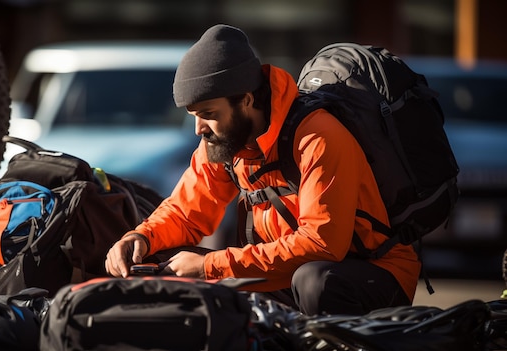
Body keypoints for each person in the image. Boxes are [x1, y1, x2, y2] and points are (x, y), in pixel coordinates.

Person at [105, 24, 421, 316]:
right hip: (286, 273)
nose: (199, 128)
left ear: (246, 100)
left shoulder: (318, 136)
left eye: (208, 114)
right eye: (193, 116)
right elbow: (187, 213)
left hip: (371, 273)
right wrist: (141, 238)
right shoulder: (224, 140)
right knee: (162, 263)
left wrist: (211, 266)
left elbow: (322, 244)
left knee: (314, 280)